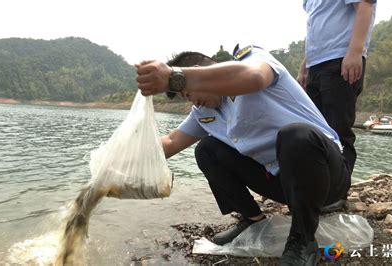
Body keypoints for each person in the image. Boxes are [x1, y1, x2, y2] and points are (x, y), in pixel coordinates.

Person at [135, 46, 350, 265]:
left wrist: (174, 77)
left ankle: (303, 242)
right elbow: (171, 142)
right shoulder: (203, 112)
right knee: (207, 150)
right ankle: (253, 221)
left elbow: (255, 77)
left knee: (296, 136)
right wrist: (122, 160)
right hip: (285, 184)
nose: (194, 102)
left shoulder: (253, 60)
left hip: (326, 175)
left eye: (188, 93)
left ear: (199, 74)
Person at [297, 1, 377, 210]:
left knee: (338, 128)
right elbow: (316, 27)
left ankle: (337, 194)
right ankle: (320, 190)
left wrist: (355, 52)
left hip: (340, 58)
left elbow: (365, 6)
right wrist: (304, 68)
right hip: (316, 64)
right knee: (316, 131)